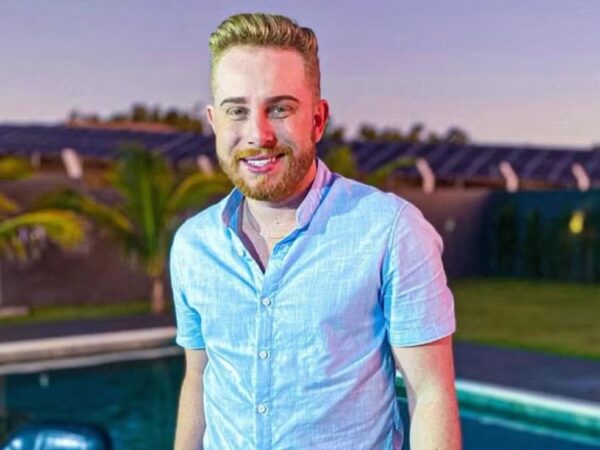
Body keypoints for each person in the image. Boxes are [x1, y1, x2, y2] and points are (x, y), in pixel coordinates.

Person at [171, 12, 461, 450]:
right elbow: (199, 376)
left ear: (318, 120)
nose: (258, 134)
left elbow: (431, 393)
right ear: (214, 122)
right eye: (237, 111)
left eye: (280, 109)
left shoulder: (391, 231)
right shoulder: (193, 246)